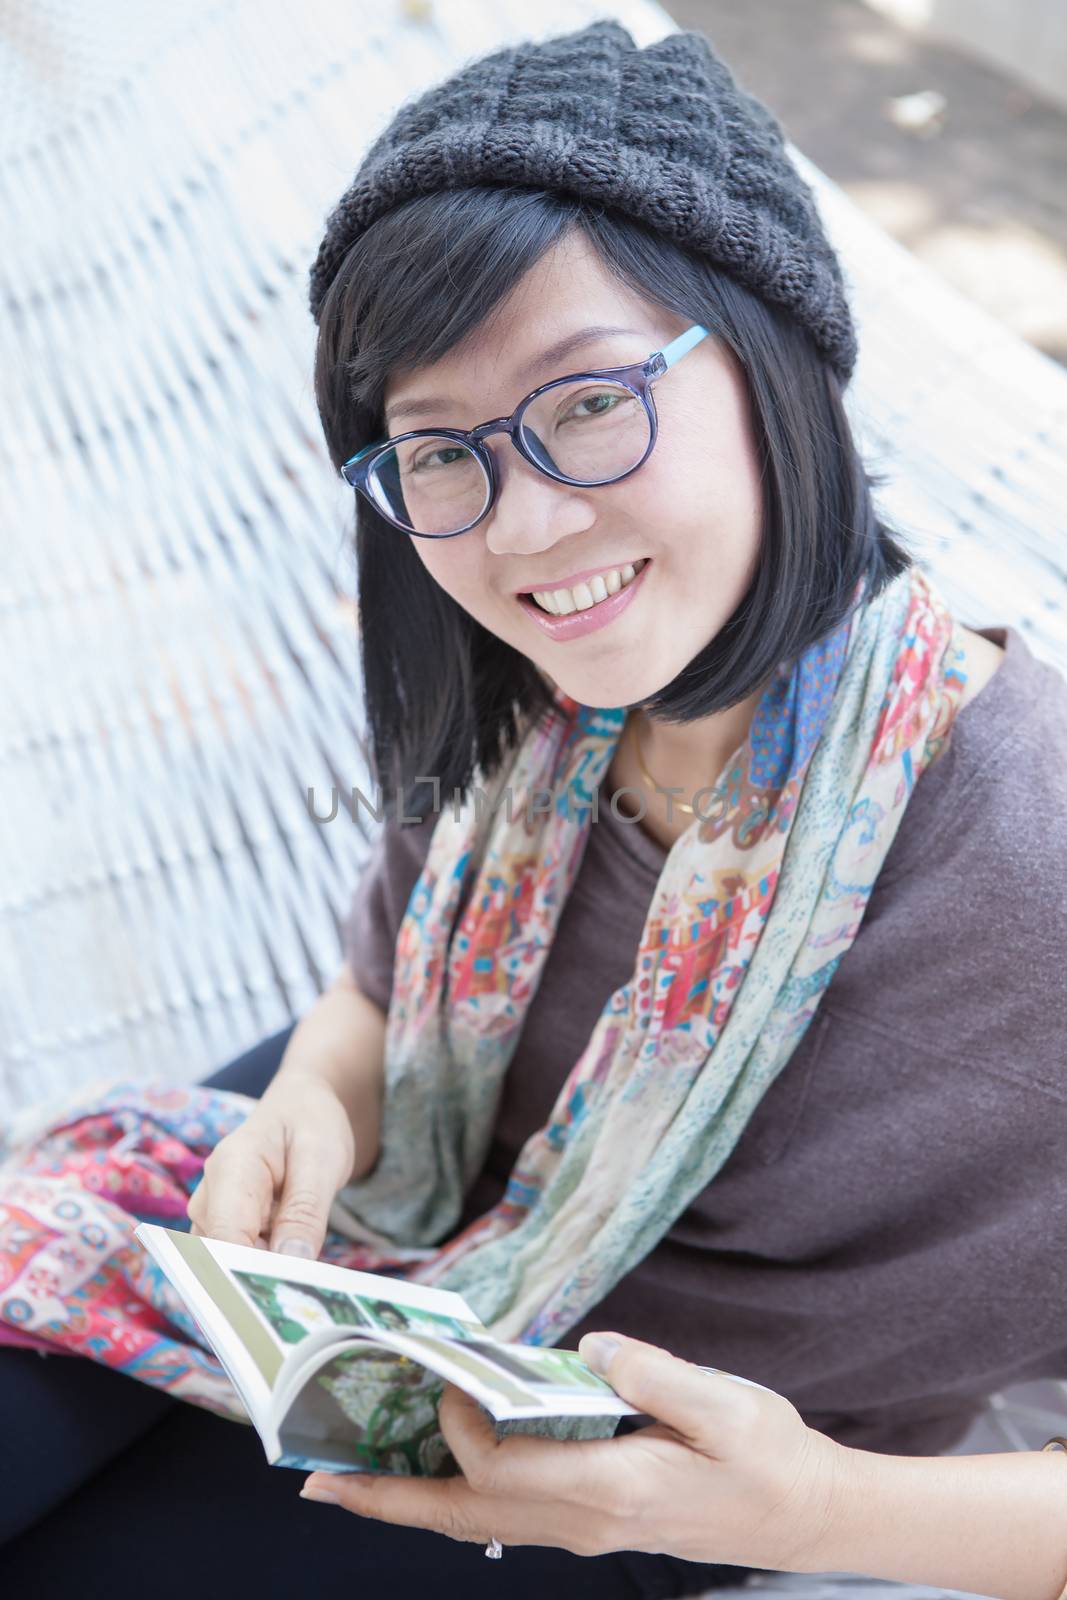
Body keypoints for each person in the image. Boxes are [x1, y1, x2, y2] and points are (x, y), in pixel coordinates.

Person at [2, 20, 1067, 1600]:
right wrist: (316, 1096)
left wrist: (807, 1516)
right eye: (443, 450)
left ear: (772, 356)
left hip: (629, 1461)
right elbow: (380, 989)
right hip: (361, 1230)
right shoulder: (539, 711)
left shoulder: (1030, 870)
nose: (526, 526)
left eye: (587, 405)